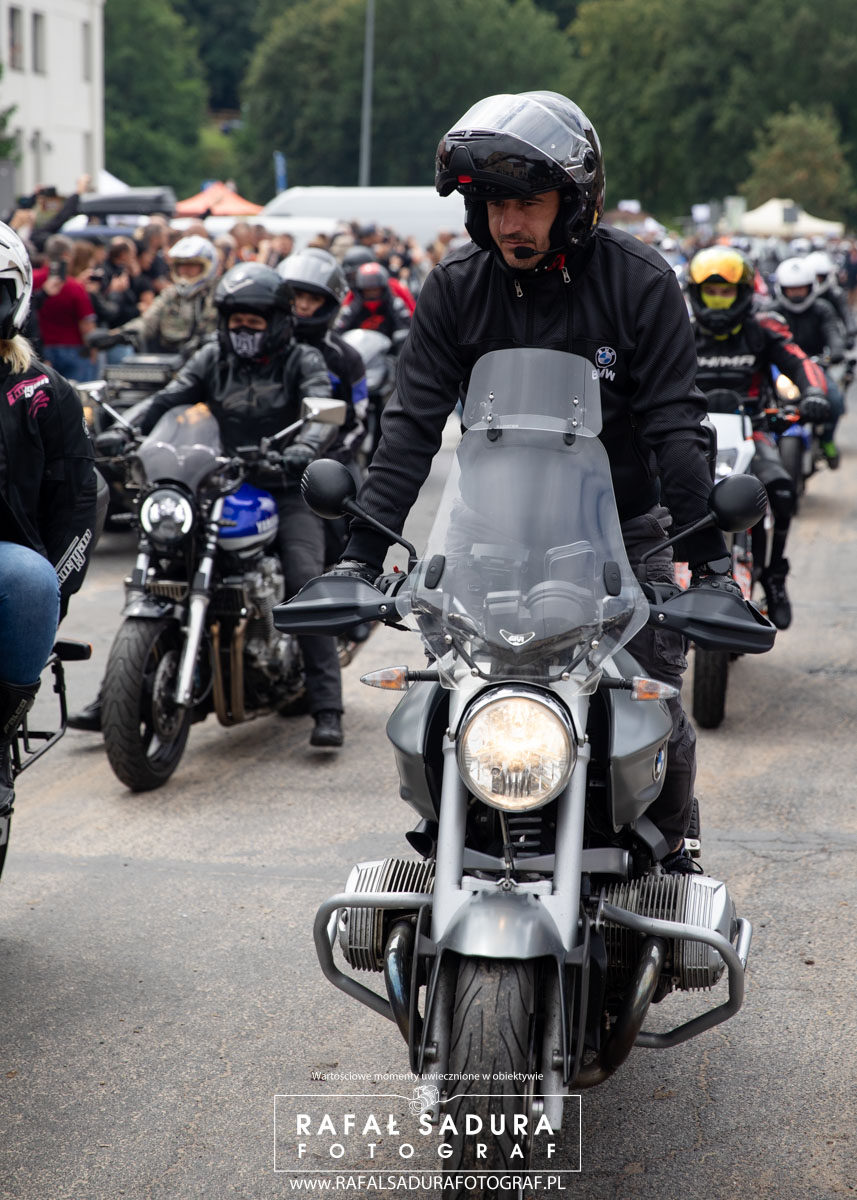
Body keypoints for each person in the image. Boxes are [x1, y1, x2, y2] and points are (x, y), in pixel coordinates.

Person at [330, 89, 749, 873]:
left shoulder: (638, 281)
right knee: (444, 696)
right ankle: (454, 841)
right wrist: (358, 554)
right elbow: (410, 426)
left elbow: (675, 426)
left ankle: (671, 850)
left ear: (575, 202)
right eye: (492, 203)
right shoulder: (456, 285)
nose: (507, 223)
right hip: (487, 530)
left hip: (620, 532)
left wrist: (712, 568)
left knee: (649, 698)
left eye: (525, 202)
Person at [70, 263, 345, 748]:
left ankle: (327, 704)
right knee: (161, 567)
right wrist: (123, 430)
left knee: (304, 577)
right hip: (215, 479)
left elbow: (320, 412)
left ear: (278, 322)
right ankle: (119, 692)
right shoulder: (211, 356)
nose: (243, 329)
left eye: (254, 321)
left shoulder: (302, 359)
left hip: (282, 481)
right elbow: (167, 399)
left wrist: (302, 449)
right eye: (236, 320)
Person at [0, 221, 98, 827]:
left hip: (9, 558)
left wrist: (53, 594)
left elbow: (77, 502)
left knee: (31, 580)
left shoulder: (43, 390)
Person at [687, 246, 830, 630]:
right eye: (711, 292)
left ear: (743, 293)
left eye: (726, 291)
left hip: (754, 428)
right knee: (653, 498)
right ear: (697, 294)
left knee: (781, 489)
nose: (719, 300)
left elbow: (800, 362)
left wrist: (815, 393)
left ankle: (774, 576)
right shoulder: (679, 330)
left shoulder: (764, 327)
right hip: (690, 434)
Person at [277, 248, 369, 570]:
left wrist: (326, 456)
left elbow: (358, 422)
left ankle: (352, 575)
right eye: (297, 296)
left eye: (313, 299)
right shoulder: (267, 346)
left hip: (328, 459)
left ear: (329, 304)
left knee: (359, 519)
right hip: (269, 456)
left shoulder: (346, 357)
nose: (303, 305)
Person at [771, 256, 844, 468]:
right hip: (780, 368)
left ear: (811, 287)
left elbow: (833, 332)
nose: (796, 294)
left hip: (815, 367)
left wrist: (837, 351)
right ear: (782, 289)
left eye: (801, 288)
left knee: (835, 401)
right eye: (791, 289)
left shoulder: (822, 309)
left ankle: (827, 440)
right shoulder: (771, 311)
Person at [115, 235, 220, 355]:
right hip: (171, 359)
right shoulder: (170, 295)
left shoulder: (218, 296)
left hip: (206, 360)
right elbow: (147, 322)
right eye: (181, 266)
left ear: (207, 267)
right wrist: (119, 334)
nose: (185, 270)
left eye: (192, 265)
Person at [335, 261, 412, 339]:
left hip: (390, 344)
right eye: (368, 290)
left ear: (383, 289)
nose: (372, 293)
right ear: (361, 291)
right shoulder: (353, 307)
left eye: (375, 289)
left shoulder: (395, 304)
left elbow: (406, 328)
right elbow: (339, 329)